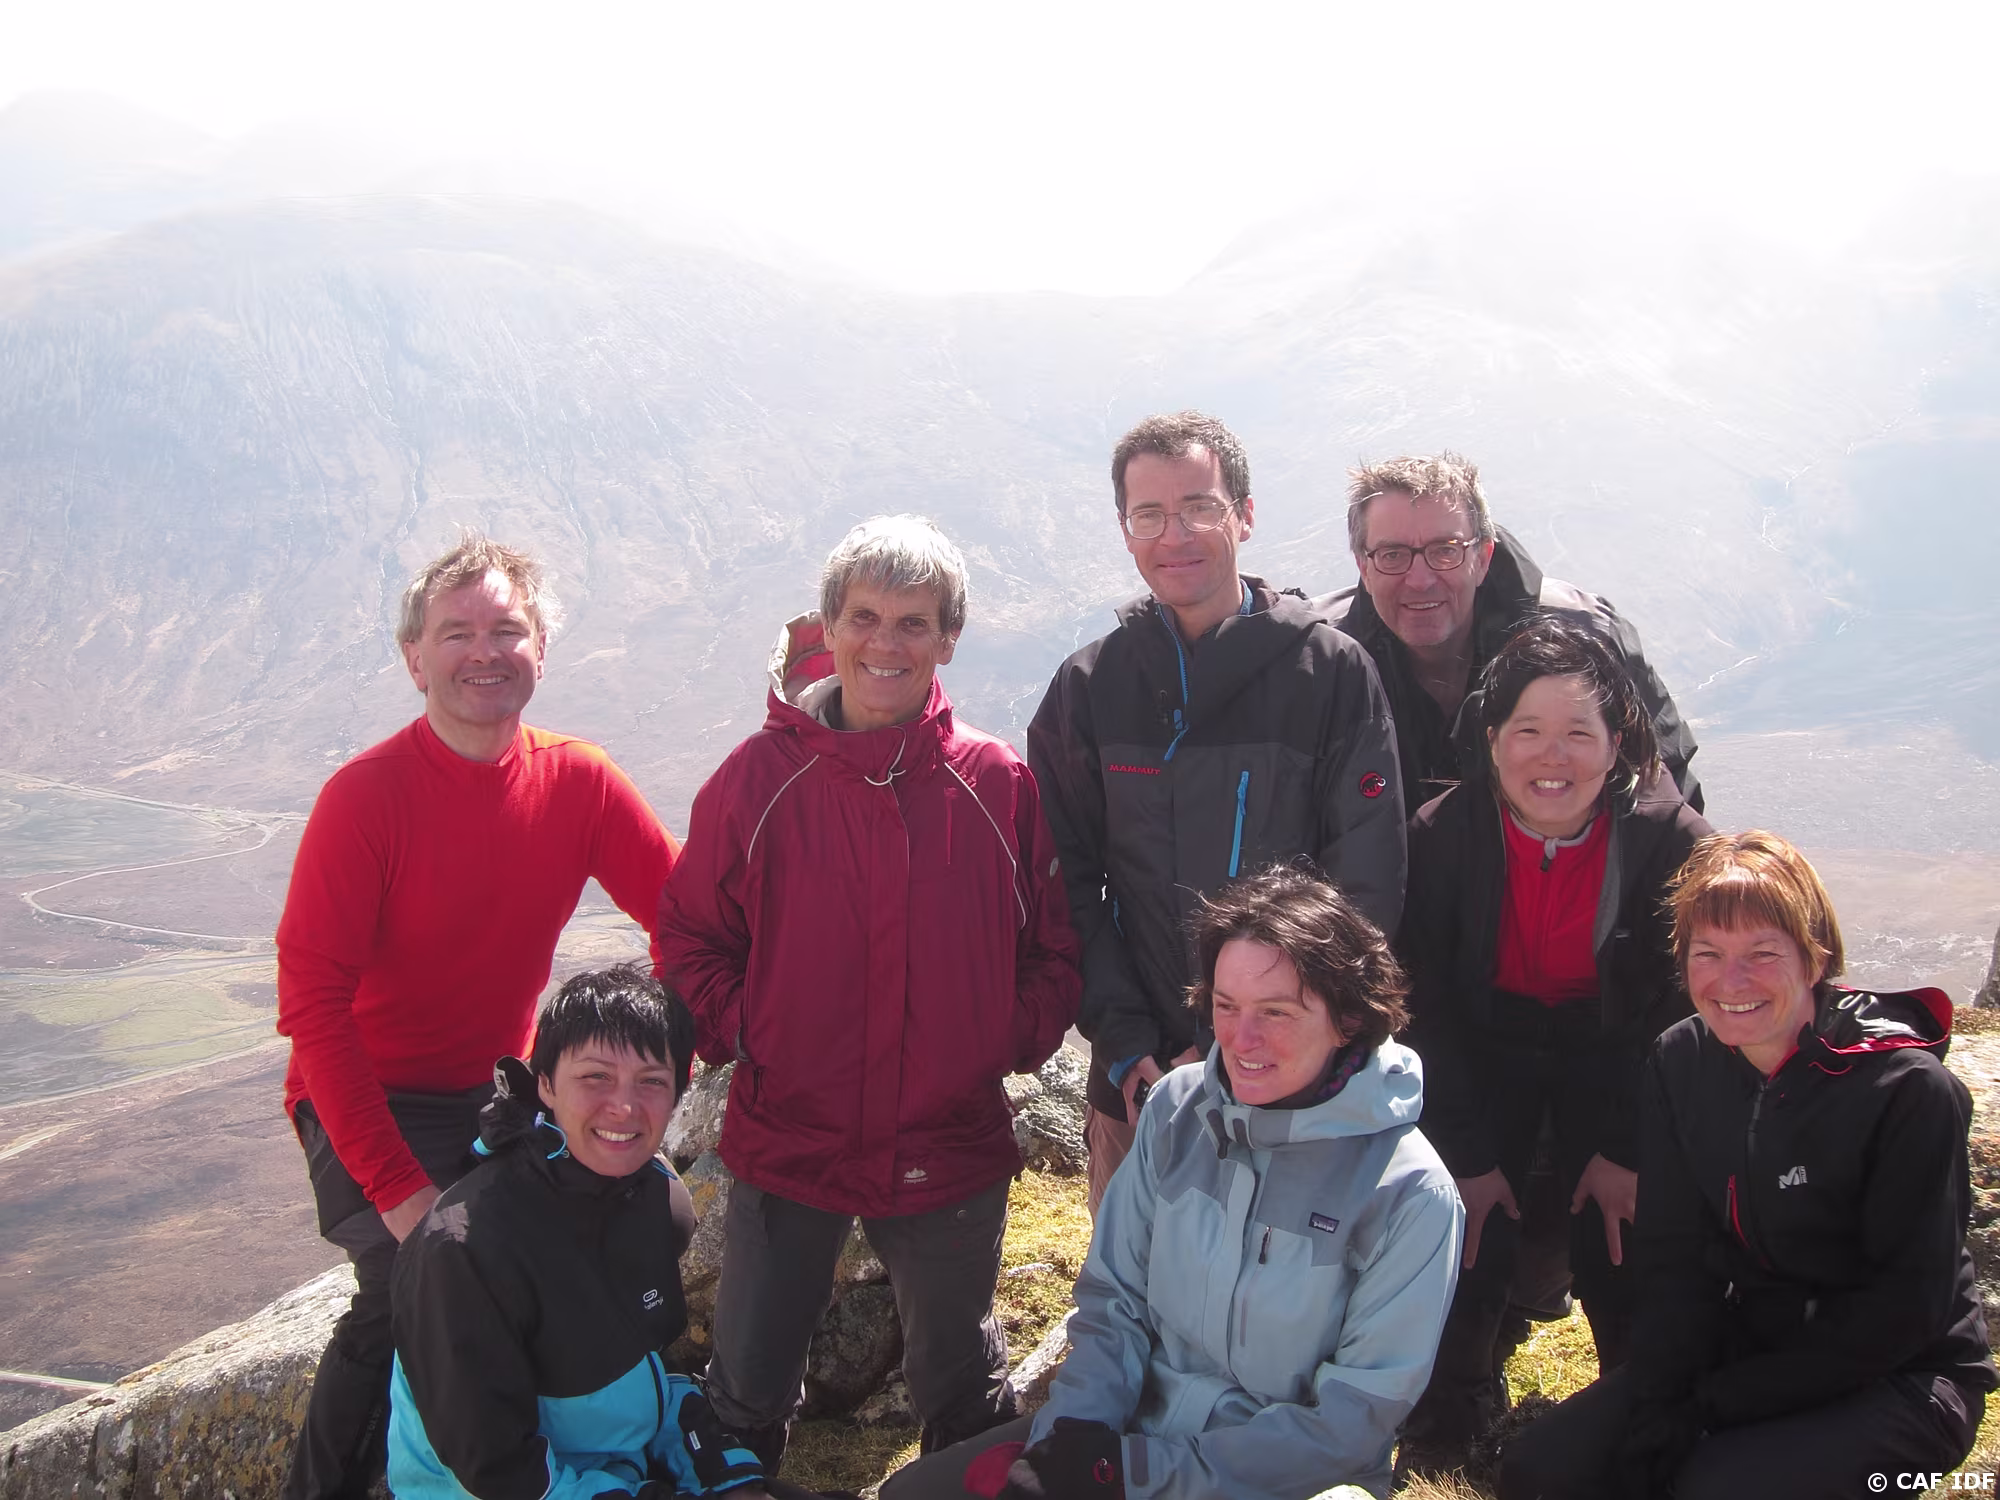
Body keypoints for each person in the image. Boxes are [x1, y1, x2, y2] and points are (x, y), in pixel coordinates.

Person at [657, 515, 1081, 1474]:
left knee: (961, 1386)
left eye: (914, 623)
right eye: (865, 617)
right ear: (830, 626)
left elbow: (1054, 948)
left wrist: (997, 1039)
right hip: (790, 1135)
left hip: (947, 1140)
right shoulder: (758, 779)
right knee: (745, 1386)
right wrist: (753, 1030)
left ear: (948, 640)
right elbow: (688, 935)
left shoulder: (995, 783)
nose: (886, 643)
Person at [276, 533, 679, 1500]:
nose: (484, 652)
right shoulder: (364, 800)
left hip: (497, 1090)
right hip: (366, 1095)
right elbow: (314, 1009)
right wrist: (397, 1190)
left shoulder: (578, 779)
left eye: (507, 629)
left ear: (541, 648)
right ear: (414, 658)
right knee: (414, 1282)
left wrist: (665, 1071)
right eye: (456, 633)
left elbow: (684, 922)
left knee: (572, 1243)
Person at [879, 865, 1462, 1500]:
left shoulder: (1410, 1193)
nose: (1241, 1039)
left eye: (1276, 1012)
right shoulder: (1178, 1110)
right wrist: (1074, 1438)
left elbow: (1346, 1428)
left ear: (1348, 1018)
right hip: (1130, 1434)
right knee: (912, 1494)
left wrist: (1128, 1477)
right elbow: (1114, 1302)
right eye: (1225, 1006)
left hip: (1281, 1481)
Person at [1498, 831, 1997, 1499]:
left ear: (1816, 958)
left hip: (1907, 1377)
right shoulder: (1682, 1059)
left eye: (1762, 954)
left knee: (1715, 1488)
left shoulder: (1906, 1091)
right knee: (1540, 1473)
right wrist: (1662, 1395)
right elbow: (1673, 1258)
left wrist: (1715, 1408)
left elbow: (1904, 1313)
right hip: (1752, 1339)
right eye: (1707, 953)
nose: (1730, 982)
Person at [1028, 410, 1406, 1214]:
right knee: (1132, 1285)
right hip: (1135, 1090)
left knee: (1289, 1285)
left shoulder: (1329, 676)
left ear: (1245, 514)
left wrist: (1246, 1040)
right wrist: (1126, 1042)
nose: (1176, 535)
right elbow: (1065, 890)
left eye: (1199, 506)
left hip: (1295, 1084)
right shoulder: (1090, 689)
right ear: (1124, 529)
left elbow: (1364, 886)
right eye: (1149, 514)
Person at [1393, 617, 1711, 1472]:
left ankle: (1641, 1411)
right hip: (1481, 1049)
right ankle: (1446, 1416)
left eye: (1579, 732)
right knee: (1462, 1221)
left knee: (1619, 1229)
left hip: (1616, 1054)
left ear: (1618, 744)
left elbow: (1681, 1008)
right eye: (1528, 730)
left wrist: (1625, 1147)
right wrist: (1464, 1153)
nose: (1552, 757)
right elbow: (1421, 1002)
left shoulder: (1671, 844)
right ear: (1492, 739)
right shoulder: (1442, 837)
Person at [387, 965, 827, 1500]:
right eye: (595, 1076)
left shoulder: (654, 1201)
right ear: (545, 1084)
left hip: (618, 1472)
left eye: (652, 1081)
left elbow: (649, 1382)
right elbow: (497, 1472)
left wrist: (726, 1476)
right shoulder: (464, 1251)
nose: (623, 1106)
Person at [1318, 452, 1701, 815]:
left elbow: (1668, 799)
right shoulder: (1322, 662)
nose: (1420, 580)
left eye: (1445, 551)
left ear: (1482, 558)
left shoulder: (1586, 643)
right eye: (1393, 555)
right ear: (1363, 566)